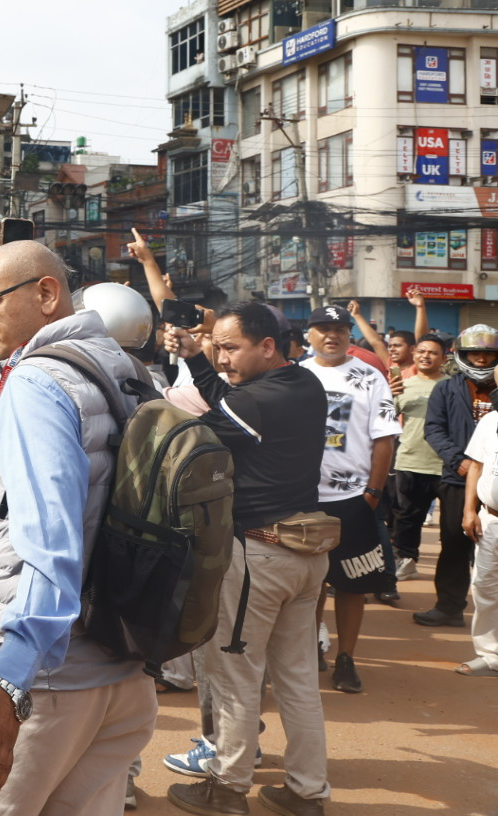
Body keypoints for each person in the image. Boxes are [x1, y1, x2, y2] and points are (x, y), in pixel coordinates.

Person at [0, 241, 154, 815]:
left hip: (39, 681)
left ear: (46, 293)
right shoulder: (126, 370)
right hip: (118, 669)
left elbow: (52, 540)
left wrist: (10, 673)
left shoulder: (37, 382)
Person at [160, 303, 331, 816]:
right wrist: (198, 360)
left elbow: (204, 426)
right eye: (218, 345)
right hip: (303, 553)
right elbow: (234, 400)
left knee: (234, 674)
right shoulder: (303, 383)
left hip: (260, 554)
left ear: (267, 346)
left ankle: (227, 788)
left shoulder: (258, 403)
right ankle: (306, 791)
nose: (222, 356)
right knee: (298, 679)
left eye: (230, 346)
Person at [299, 305, 400, 694]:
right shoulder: (295, 376)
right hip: (304, 498)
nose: (332, 335)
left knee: (352, 584)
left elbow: (385, 438)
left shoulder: (370, 377)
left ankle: (347, 658)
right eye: (323, 328)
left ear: (349, 334)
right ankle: (310, 652)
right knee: (309, 584)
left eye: (340, 328)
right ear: (308, 334)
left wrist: (372, 494)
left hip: (354, 498)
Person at [417, 324, 498, 627]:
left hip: (495, 481)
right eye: (474, 352)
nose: (480, 359)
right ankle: (449, 607)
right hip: (457, 480)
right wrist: (459, 461)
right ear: (463, 355)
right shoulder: (446, 389)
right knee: (454, 543)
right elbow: (434, 429)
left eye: (488, 353)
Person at [391, 335, 449, 582]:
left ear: (443, 358)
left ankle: (453, 568)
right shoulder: (402, 385)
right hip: (410, 460)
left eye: (433, 352)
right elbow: (385, 420)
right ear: (414, 355)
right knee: (407, 517)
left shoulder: (453, 386)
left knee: (452, 523)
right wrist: (389, 396)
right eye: (422, 351)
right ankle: (407, 560)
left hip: (447, 464)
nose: (426, 356)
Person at [460, 400, 498, 676]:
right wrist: (469, 510)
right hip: (490, 518)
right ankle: (490, 655)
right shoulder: (490, 420)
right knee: (484, 587)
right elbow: (475, 467)